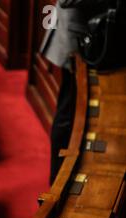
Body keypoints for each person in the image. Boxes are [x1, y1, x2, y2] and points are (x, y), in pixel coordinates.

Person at [40, 0, 105, 183]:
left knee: (70, 111)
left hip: (83, 33)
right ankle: (57, 185)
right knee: (68, 114)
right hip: (78, 36)